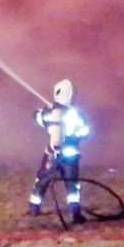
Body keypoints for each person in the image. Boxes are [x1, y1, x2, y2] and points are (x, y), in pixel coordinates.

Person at [27, 78, 91, 223]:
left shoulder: (49, 112)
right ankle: (75, 213)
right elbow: (85, 131)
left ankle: (34, 208)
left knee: (42, 180)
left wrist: (45, 110)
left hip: (51, 154)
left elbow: (36, 116)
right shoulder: (76, 114)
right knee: (72, 184)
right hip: (70, 154)